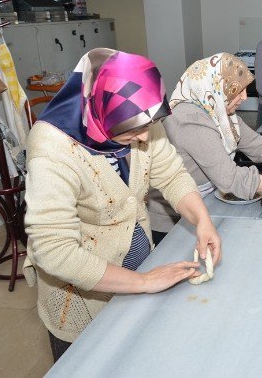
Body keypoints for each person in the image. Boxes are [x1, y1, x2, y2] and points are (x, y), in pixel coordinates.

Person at [22, 48, 222, 361]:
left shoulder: (139, 115)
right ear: (100, 111)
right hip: (80, 293)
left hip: (138, 269)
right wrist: (143, 281)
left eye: (150, 125)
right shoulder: (53, 148)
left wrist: (202, 219)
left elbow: (171, 176)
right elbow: (55, 251)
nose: (146, 137)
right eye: (135, 131)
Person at [148, 53, 262, 243]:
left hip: (206, 202)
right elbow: (230, 178)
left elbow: (259, 144)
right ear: (215, 86)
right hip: (174, 220)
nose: (244, 97)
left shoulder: (218, 110)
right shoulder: (189, 118)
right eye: (236, 90)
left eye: (245, 90)